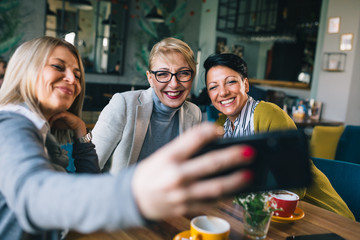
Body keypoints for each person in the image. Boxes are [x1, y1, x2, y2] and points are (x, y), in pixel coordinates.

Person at [0, 37, 255, 239]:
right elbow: (36, 194)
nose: (72, 79)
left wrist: (80, 131)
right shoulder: (11, 124)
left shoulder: (37, 130)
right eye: (58, 66)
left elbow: (87, 180)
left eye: (78, 74)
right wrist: (136, 194)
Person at [203, 53, 355, 220]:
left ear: (245, 85)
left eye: (230, 82)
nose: (223, 92)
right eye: (213, 87)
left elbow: (293, 187)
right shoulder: (220, 127)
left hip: (321, 216)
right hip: (270, 216)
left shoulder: (268, 114)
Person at [92, 37, 202, 174]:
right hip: (122, 194)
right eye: (162, 74)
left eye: (184, 73)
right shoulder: (124, 105)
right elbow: (90, 167)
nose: (174, 84)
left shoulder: (194, 113)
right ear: (150, 78)